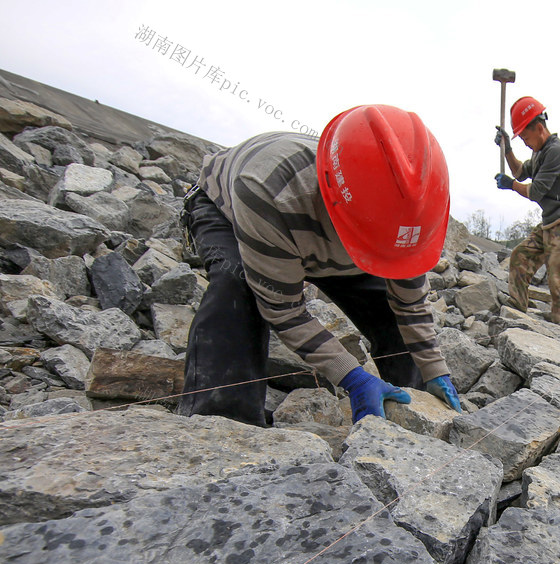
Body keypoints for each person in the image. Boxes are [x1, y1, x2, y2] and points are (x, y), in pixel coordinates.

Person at [177, 105, 461, 426]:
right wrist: (352, 376)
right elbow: (283, 310)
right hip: (230, 211)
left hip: (347, 226)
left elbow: (408, 301)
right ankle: (224, 426)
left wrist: (434, 368)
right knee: (238, 292)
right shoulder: (268, 191)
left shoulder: (408, 209)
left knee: (390, 312)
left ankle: (410, 411)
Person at [493, 96, 560, 328]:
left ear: (539, 128)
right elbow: (520, 172)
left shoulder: (557, 151)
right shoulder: (540, 152)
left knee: (558, 278)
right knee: (521, 256)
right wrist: (507, 150)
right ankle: (517, 306)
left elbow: (535, 191)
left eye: (524, 136)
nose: (524, 141)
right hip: (550, 222)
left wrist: (510, 184)